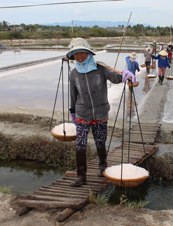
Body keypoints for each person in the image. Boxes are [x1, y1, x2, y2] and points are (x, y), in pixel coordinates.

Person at [66, 38, 136, 187]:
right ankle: (81, 176)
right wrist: (72, 112)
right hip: (82, 114)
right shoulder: (74, 74)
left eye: (82, 53)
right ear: (73, 56)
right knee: (80, 145)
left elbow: (115, 78)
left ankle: (103, 164)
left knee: (100, 141)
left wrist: (125, 75)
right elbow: (73, 94)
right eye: (76, 54)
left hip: (100, 113)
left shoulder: (100, 69)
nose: (79, 57)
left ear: (88, 53)